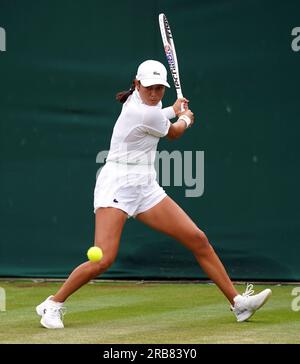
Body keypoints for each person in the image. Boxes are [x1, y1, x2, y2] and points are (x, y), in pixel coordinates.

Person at [36, 60, 272, 329]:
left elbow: (161, 114)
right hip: (117, 186)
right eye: (149, 88)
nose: (155, 94)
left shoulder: (149, 105)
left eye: (160, 88)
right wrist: (184, 117)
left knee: (197, 238)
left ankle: (238, 303)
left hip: (145, 185)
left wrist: (174, 107)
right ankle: (53, 304)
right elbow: (173, 133)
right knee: (104, 257)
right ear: (137, 84)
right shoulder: (143, 112)